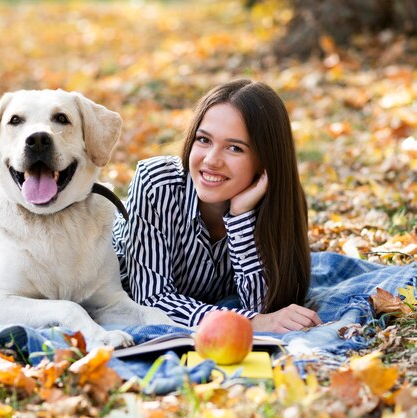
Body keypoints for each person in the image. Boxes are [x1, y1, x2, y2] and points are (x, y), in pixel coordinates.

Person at [112, 78, 322, 333]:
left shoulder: (277, 205)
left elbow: (268, 308)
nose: (211, 161)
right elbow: (152, 301)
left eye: (234, 148)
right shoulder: (157, 184)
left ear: (264, 160)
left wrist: (240, 217)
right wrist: (251, 322)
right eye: (204, 140)